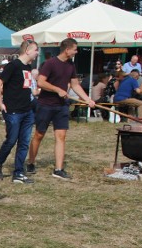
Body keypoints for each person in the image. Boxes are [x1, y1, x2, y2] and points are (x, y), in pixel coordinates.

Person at [26, 38, 95, 181]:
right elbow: (41, 82)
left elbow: (75, 85)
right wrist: (57, 89)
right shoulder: (50, 63)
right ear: (67, 49)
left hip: (62, 106)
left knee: (61, 136)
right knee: (39, 134)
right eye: (75, 49)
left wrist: (87, 99)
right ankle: (31, 162)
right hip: (46, 104)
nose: (76, 52)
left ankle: (58, 169)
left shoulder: (71, 65)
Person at [0, 40, 39, 184]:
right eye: (36, 50)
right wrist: (0, 102)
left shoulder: (29, 67)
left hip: (27, 111)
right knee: (11, 140)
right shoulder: (13, 66)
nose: (38, 53)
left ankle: (18, 172)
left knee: (24, 142)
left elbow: (28, 88)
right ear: (27, 50)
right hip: (13, 111)